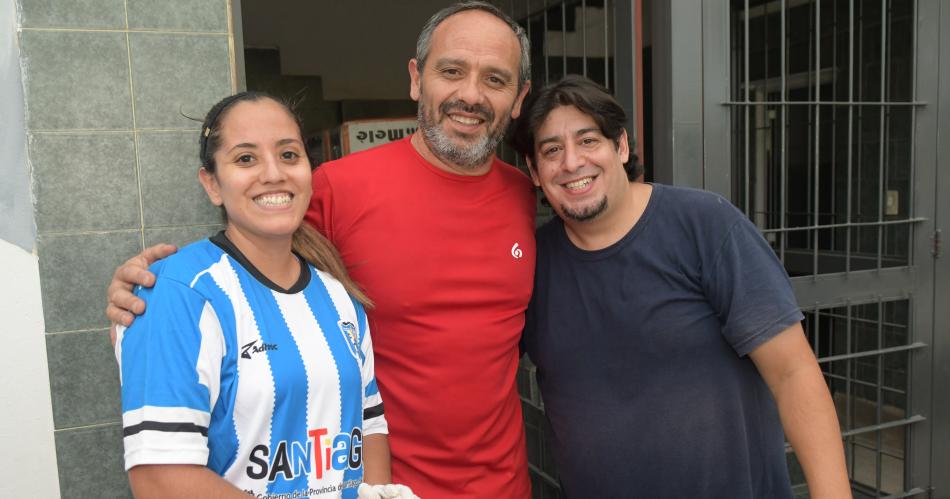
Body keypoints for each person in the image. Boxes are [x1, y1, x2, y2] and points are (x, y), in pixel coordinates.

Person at [107, 3, 536, 497]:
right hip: (385, 484)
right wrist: (149, 295)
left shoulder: (523, 194)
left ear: (520, 97)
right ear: (417, 78)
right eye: (451, 70)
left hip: (503, 485)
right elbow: (248, 259)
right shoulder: (335, 189)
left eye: (495, 79)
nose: (470, 95)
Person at [510, 75, 852, 498]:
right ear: (534, 171)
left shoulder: (705, 226)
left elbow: (793, 372)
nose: (572, 162)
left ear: (620, 146)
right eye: (552, 151)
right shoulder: (528, 263)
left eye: (588, 141)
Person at [114, 91, 407, 499]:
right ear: (212, 183)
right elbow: (158, 477)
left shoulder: (340, 297)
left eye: (289, 155)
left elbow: (370, 426)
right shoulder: (179, 293)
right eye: (246, 158)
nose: (274, 174)